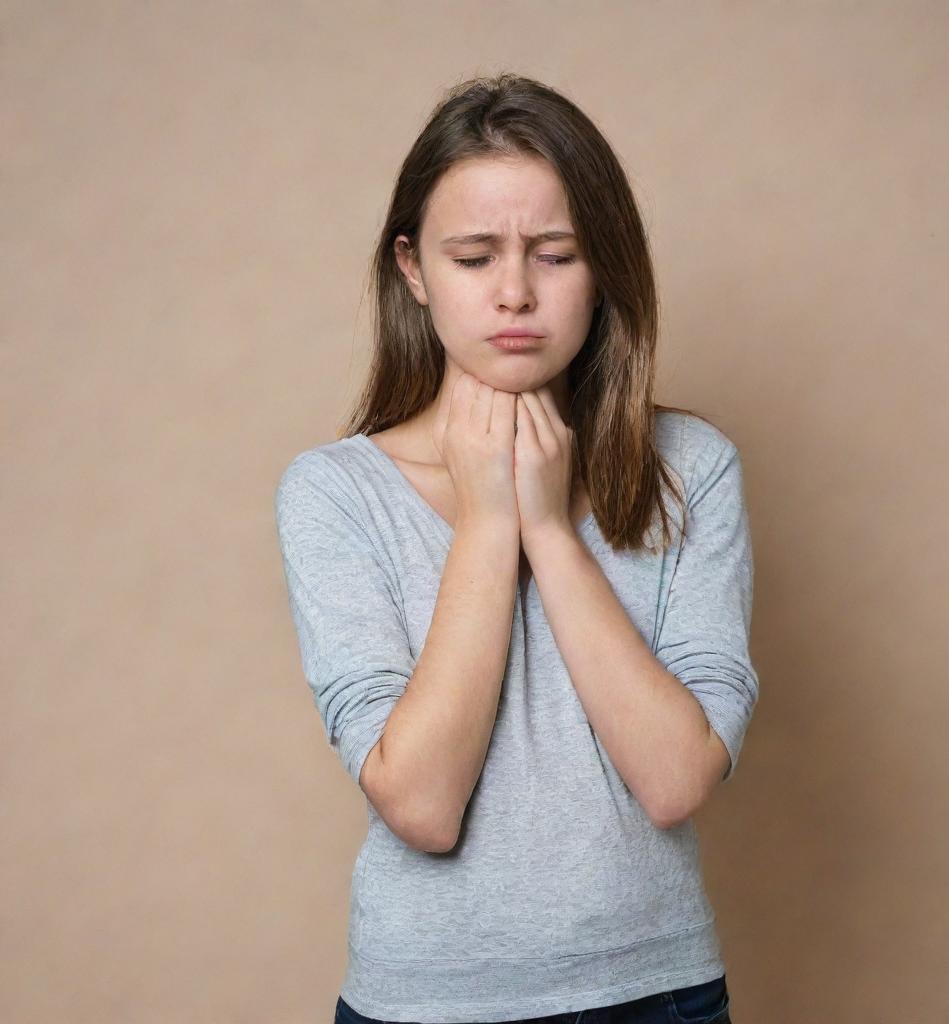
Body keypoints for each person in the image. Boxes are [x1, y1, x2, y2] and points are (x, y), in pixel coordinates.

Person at [274, 72, 756, 1024]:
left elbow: (676, 780)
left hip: (656, 993)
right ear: (413, 270)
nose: (515, 293)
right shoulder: (334, 493)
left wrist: (547, 525)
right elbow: (421, 803)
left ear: (605, 266)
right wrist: (490, 525)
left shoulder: (691, 467)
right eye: (474, 255)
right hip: (424, 1003)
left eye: (556, 253)